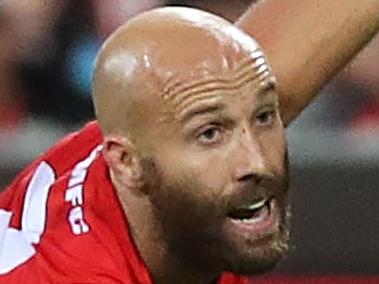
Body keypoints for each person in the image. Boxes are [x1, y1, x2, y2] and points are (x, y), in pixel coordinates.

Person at [0, 1, 379, 283]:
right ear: (126, 163)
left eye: (264, 117)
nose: (258, 162)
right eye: (210, 134)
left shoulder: (170, 118)